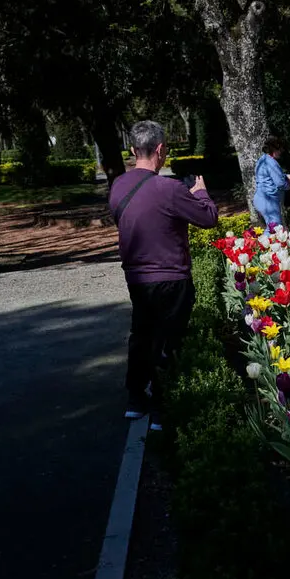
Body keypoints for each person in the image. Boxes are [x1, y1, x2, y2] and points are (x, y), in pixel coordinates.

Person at [111, 120, 219, 420]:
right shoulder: (169, 188)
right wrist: (200, 193)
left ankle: (135, 398)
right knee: (169, 341)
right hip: (171, 276)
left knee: (142, 335)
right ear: (161, 150)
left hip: (136, 277)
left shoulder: (118, 185)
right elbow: (208, 218)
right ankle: (161, 407)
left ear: (133, 150)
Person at [253, 138, 290, 231]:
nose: (281, 152)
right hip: (268, 200)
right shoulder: (272, 163)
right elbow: (281, 183)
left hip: (261, 199)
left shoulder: (263, 159)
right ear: (273, 149)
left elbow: (279, 176)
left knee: (273, 229)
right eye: (279, 149)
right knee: (275, 230)